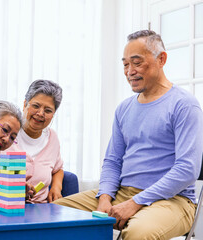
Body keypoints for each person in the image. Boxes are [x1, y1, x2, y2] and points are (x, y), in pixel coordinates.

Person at [53, 30, 203, 239]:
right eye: (125, 64)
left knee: (138, 233)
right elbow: (113, 161)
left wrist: (136, 203)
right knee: (52, 213)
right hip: (122, 193)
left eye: (137, 62)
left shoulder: (184, 105)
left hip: (173, 201)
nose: (129, 71)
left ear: (161, 59)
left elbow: (187, 169)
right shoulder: (124, 109)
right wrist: (104, 197)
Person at [0, 80, 64, 203]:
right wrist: (11, 187)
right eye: (35, 106)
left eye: (48, 110)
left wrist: (57, 187)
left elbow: (58, 169)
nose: (40, 114)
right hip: (1, 204)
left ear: (53, 114)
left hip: (39, 209)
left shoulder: (53, 138)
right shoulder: (4, 132)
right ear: (25, 104)